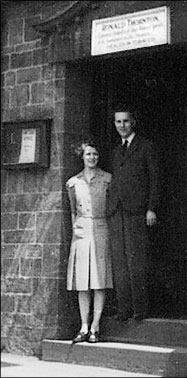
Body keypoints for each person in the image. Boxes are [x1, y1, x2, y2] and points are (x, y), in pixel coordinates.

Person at [107, 103, 159, 322]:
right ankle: (123, 309)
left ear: (133, 122)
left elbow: (155, 180)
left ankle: (139, 310)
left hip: (137, 211)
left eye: (126, 121)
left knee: (136, 260)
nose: (122, 125)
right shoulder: (115, 151)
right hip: (116, 211)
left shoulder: (146, 146)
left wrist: (151, 208)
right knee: (119, 261)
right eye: (118, 121)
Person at [66, 137, 113, 343]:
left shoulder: (108, 179)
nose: (92, 157)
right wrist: (76, 229)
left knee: (99, 281)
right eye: (88, 154)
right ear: (82, 157)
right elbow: (72, 211)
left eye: (95, 154)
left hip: (101, 229)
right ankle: (83, 326)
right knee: (82, 282)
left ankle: (95, 327)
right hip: (82, 232)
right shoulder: (73, 183)